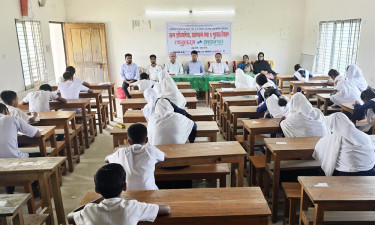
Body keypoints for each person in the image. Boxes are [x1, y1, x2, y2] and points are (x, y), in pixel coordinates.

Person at [67, 163, 170, 225]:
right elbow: (166, 209)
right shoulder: (133, 206)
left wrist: (98, 199)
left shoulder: (89, 210)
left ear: (96, 190)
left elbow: (69, 217)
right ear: (125, 187)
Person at [105, 123, 166, 190]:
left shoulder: (121, 152)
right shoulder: (151, 150)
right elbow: (164, 156)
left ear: (128, 141)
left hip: (128, 193)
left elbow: (106, 159)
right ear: (146, 140)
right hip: (149, 192)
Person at [0, 103, 41, 194]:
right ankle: (35, 189)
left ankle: (9, 191)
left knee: (7, 157)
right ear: (6, 111)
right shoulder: (12, 119)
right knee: (39, 155)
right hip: (12, 159)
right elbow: (37, 134)